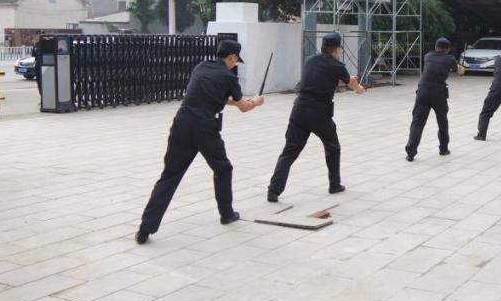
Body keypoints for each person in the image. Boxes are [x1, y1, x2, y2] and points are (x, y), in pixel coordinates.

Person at [136, 39, 264, 244]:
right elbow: (244, 107)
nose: (235, 64)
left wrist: (241, 102)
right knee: (223, 169)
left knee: (169, 175)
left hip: (182, 123)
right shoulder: (229, 77)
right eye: (235, 61)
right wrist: (255, 102)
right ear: (231, 57)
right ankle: (226, 213)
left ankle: (145, 229)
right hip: (205, 127)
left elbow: (214, 96)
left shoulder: (201, 67)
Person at [268, 32, 365, 201]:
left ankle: (273, 190)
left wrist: (345, 79)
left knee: (289, 151)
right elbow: (351, 83)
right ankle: (334, 184)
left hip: (299, 109)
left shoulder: (310, 60)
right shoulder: (337, 65)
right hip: (319, 112)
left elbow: (324, 78)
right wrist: (359, 89)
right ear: (336, 50)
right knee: (333, 147)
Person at [406, 37, 465, 161]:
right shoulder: (450, 58)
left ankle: (410, 153)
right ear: (448, 49)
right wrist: (461, 69)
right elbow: (459, 71)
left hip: (422, 91)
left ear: (435, 46)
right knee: (442, 121)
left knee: (417, 123)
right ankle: (443, 149)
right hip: (438, 93)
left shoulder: (427, 56)